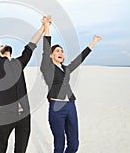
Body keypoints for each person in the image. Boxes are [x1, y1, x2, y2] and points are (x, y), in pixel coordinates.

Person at [0, 2, 45, 153]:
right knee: (0, 148)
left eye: (1, 45)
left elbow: (32, 44)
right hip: (5, 114)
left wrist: (43, 27)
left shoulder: (19, 62)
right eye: (0, 46)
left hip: (24, 114)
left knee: (21, 150)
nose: (2, 45)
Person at [40, 17, 102, 153]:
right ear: (51, 56)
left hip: (70, 106)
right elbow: (45, 48)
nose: (60, 53)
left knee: (74, 145)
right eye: (57, 51)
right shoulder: (47, 67)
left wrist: (94, 42)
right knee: (59, 145)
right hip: (56, 108)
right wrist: (46, 26)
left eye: (62, 51)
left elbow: (80, 59)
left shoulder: (66, 69)